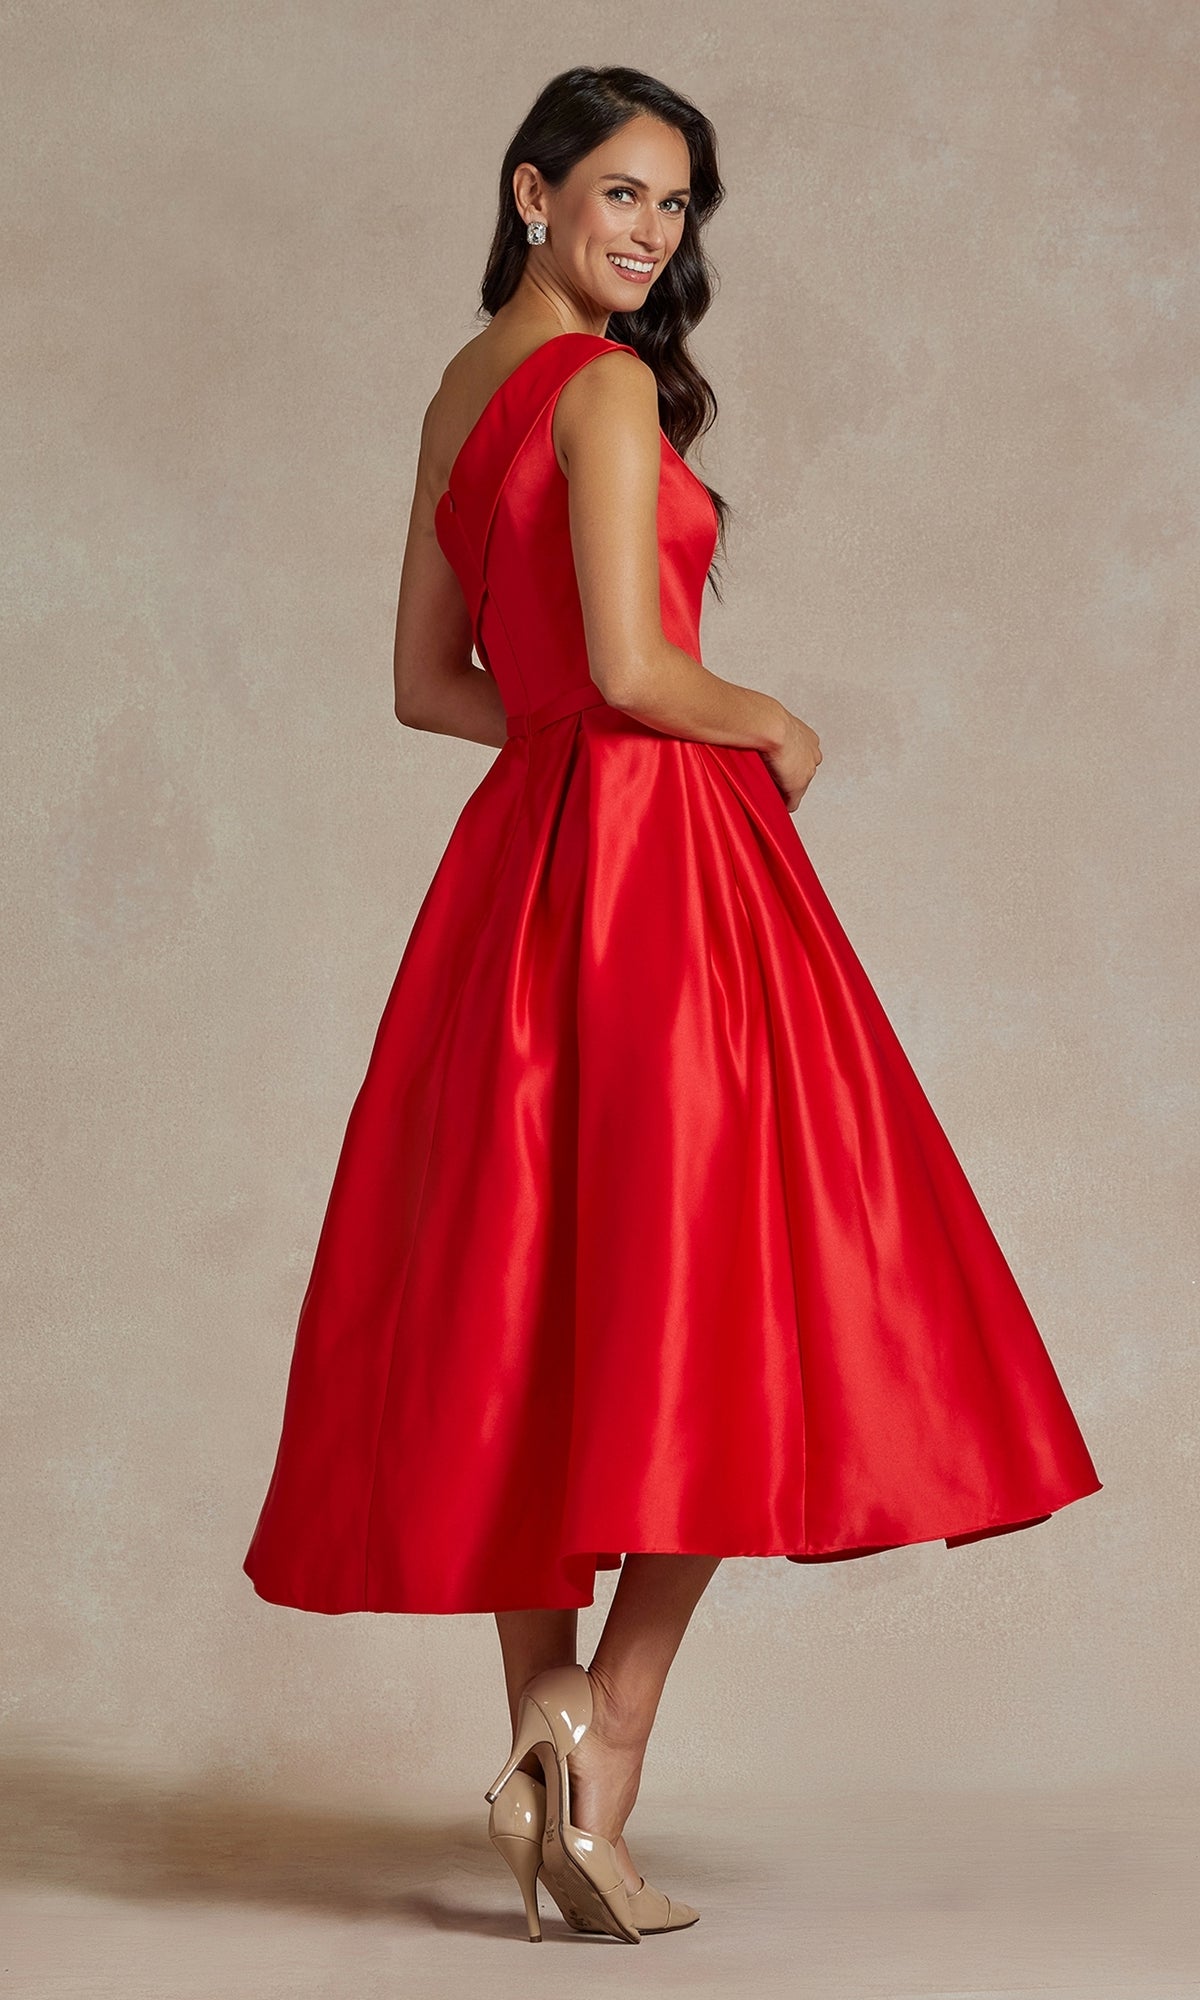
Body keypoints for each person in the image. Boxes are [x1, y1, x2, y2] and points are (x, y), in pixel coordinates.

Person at [242, 65, 1102, 1944]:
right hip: (667, 862)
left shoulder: (459, 395)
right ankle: (602, 1732)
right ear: (531, 187)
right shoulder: (609, 388)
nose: (651, 235)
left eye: (678, 208)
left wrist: (565, 733)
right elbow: (640, 659)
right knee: (724, 1284)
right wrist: (773, 721)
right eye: (622, 194)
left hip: (529, 857)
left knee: (532, 1288)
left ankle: (551, 1765)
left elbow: (431, 679)